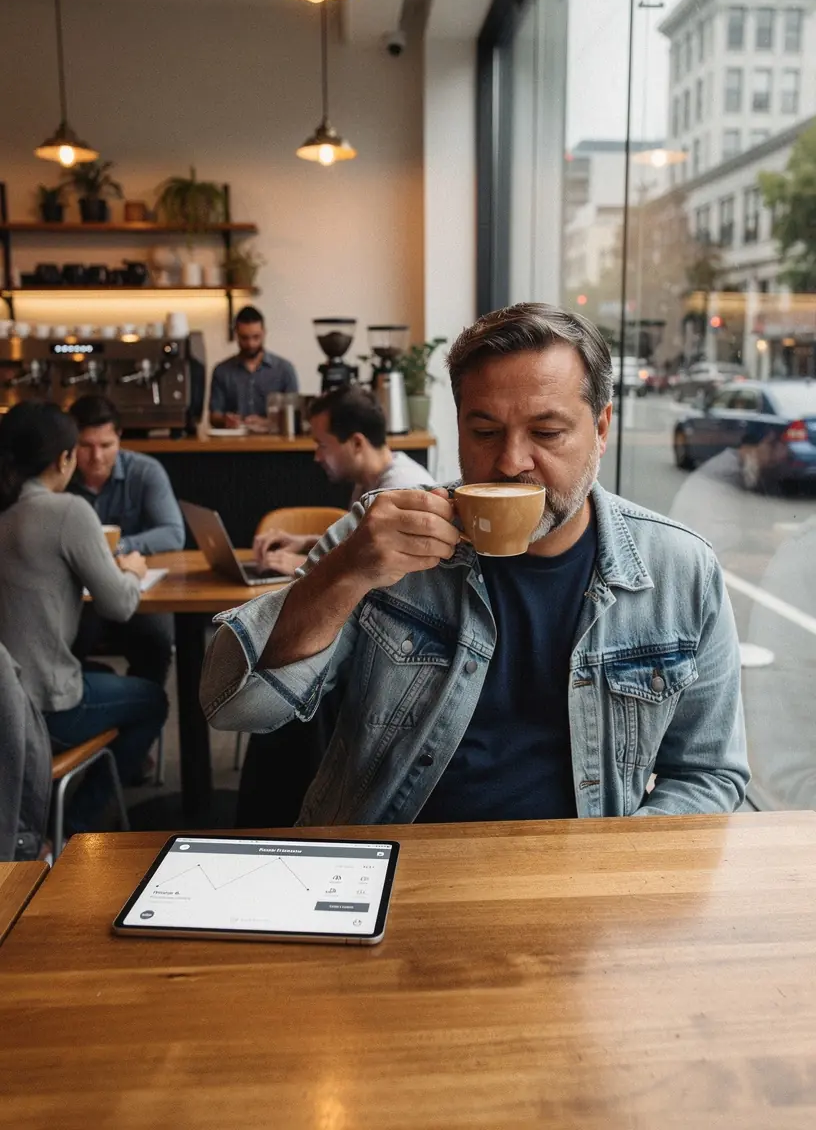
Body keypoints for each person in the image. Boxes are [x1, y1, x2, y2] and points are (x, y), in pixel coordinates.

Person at [201, 304, 749, 825]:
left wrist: (608, 866)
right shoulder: (375, 540)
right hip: (390, 865)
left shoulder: (681, 571)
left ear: (601, 429)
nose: (511, 462)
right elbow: (234, 707)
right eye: (484, 432)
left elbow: (707, 771)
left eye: (547, 433)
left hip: (584, 886)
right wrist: (342, 574)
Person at [0, 402, 168, 835]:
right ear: (64, 458)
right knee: (153, 699)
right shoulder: (67, 511)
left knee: (93, 667)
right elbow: (119, 606)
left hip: (8, 697)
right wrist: (130, 571)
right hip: (44, 707)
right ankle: (75, 827)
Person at [253, 385, 436, 575]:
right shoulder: (367, 480)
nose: (317, 457)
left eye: (322, 445)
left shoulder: (400, 488)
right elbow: (358, 546)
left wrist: (303, 564)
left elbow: (379, 572)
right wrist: (306, 543)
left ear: (357, 443)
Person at [68, 394, 183, 685]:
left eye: (106, 446)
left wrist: (118, 548)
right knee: (63, 644)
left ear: (119, 437)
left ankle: (143, 712)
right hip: (76, 594)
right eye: (85, 446)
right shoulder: (59, 476)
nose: (96, 457)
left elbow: (173, 532)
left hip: (136, 591)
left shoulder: (144, 471)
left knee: (156, 640)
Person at [209, 305, 298, 429]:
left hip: (275, 444)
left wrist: (268, 422)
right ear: (236, 334)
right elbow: (214, 416)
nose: (251, 344)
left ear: (264, 333)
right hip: (233, 443)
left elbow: (295, 415)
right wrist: (226, 420)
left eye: (256, 337)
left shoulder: (284, 370)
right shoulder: (222, 371)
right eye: (244, 338)